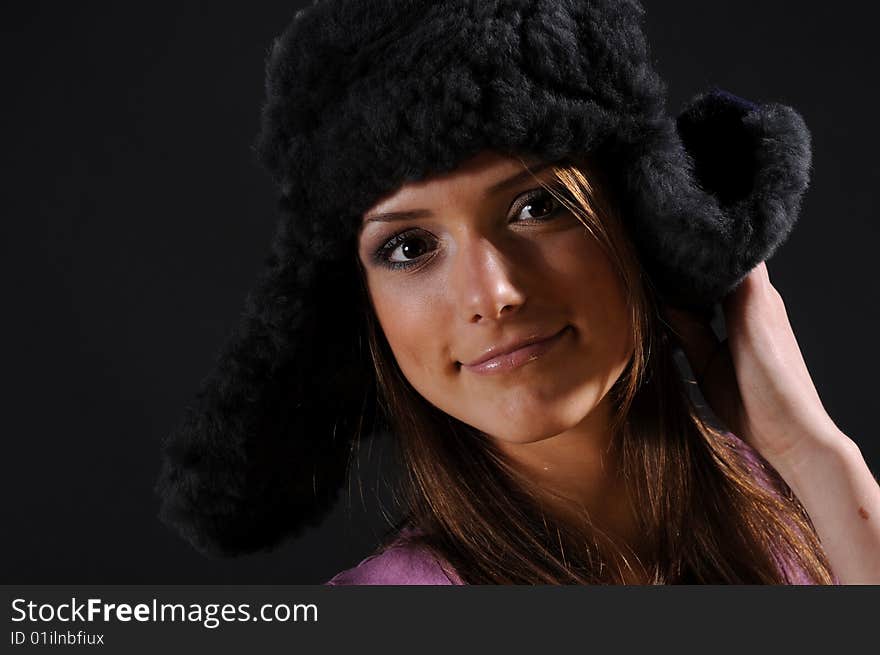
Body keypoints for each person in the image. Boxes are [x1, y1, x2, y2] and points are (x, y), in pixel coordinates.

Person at [154, 0, 880, 584]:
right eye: (410, 247)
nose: (493, 292)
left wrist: (812, 450)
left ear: (636, 219)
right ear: (364, 308)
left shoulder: (801, 508)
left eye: (537, 207)